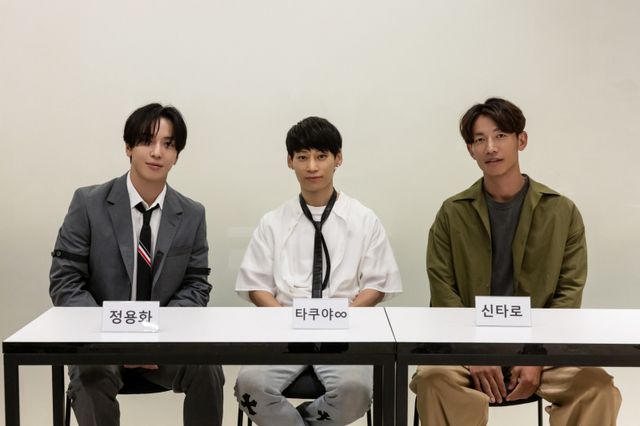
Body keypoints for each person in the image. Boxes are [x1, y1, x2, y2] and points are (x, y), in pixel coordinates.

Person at [410, 97, 622, 425]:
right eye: (480, 139)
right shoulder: (452, 213)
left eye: (500, 136)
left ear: (521, 140)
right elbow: (442, 291)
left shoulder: (561, 211)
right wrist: (473, 352)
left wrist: (537, 355)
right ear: (470, 150)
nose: (490, 147)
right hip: (464, 349)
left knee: (597, 388)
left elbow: (569, 294)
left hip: (543, 350)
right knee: (433, 380)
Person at [49, 103, 224, 426]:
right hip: (101, 342)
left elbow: (196, 286)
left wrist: (155, 338)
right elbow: (66, 282)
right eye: (147, 141)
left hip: (163, 342)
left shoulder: (192, 213)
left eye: (168, 144)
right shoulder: (88, 203)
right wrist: (115, 338)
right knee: (90, 377)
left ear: (177, 155)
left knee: (208, 368)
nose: (157, 152)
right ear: (128, 147)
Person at [234, 116, 402, 425]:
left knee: (355, 391)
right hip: (284, 331)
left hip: (345, 332)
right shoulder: (272, 222)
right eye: (302, 157)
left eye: (321, 156)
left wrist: (340, 319)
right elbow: (256, 285)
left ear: (338, 158)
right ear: (290, 162)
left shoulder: (364, 219)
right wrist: (288, 321)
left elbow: (377, 284)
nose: (312, 166)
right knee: (250, 386)